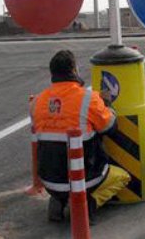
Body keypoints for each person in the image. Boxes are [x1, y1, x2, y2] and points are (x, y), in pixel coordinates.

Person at [31, 50, 130, 223]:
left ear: (52, 73)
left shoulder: (38, 101)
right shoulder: (88, 98)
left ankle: (58, 199)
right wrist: (106, 104)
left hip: (48, 180)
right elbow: (110, 127)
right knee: (122, 176)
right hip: (85, 180)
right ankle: (84, 204)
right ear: (74, 70)